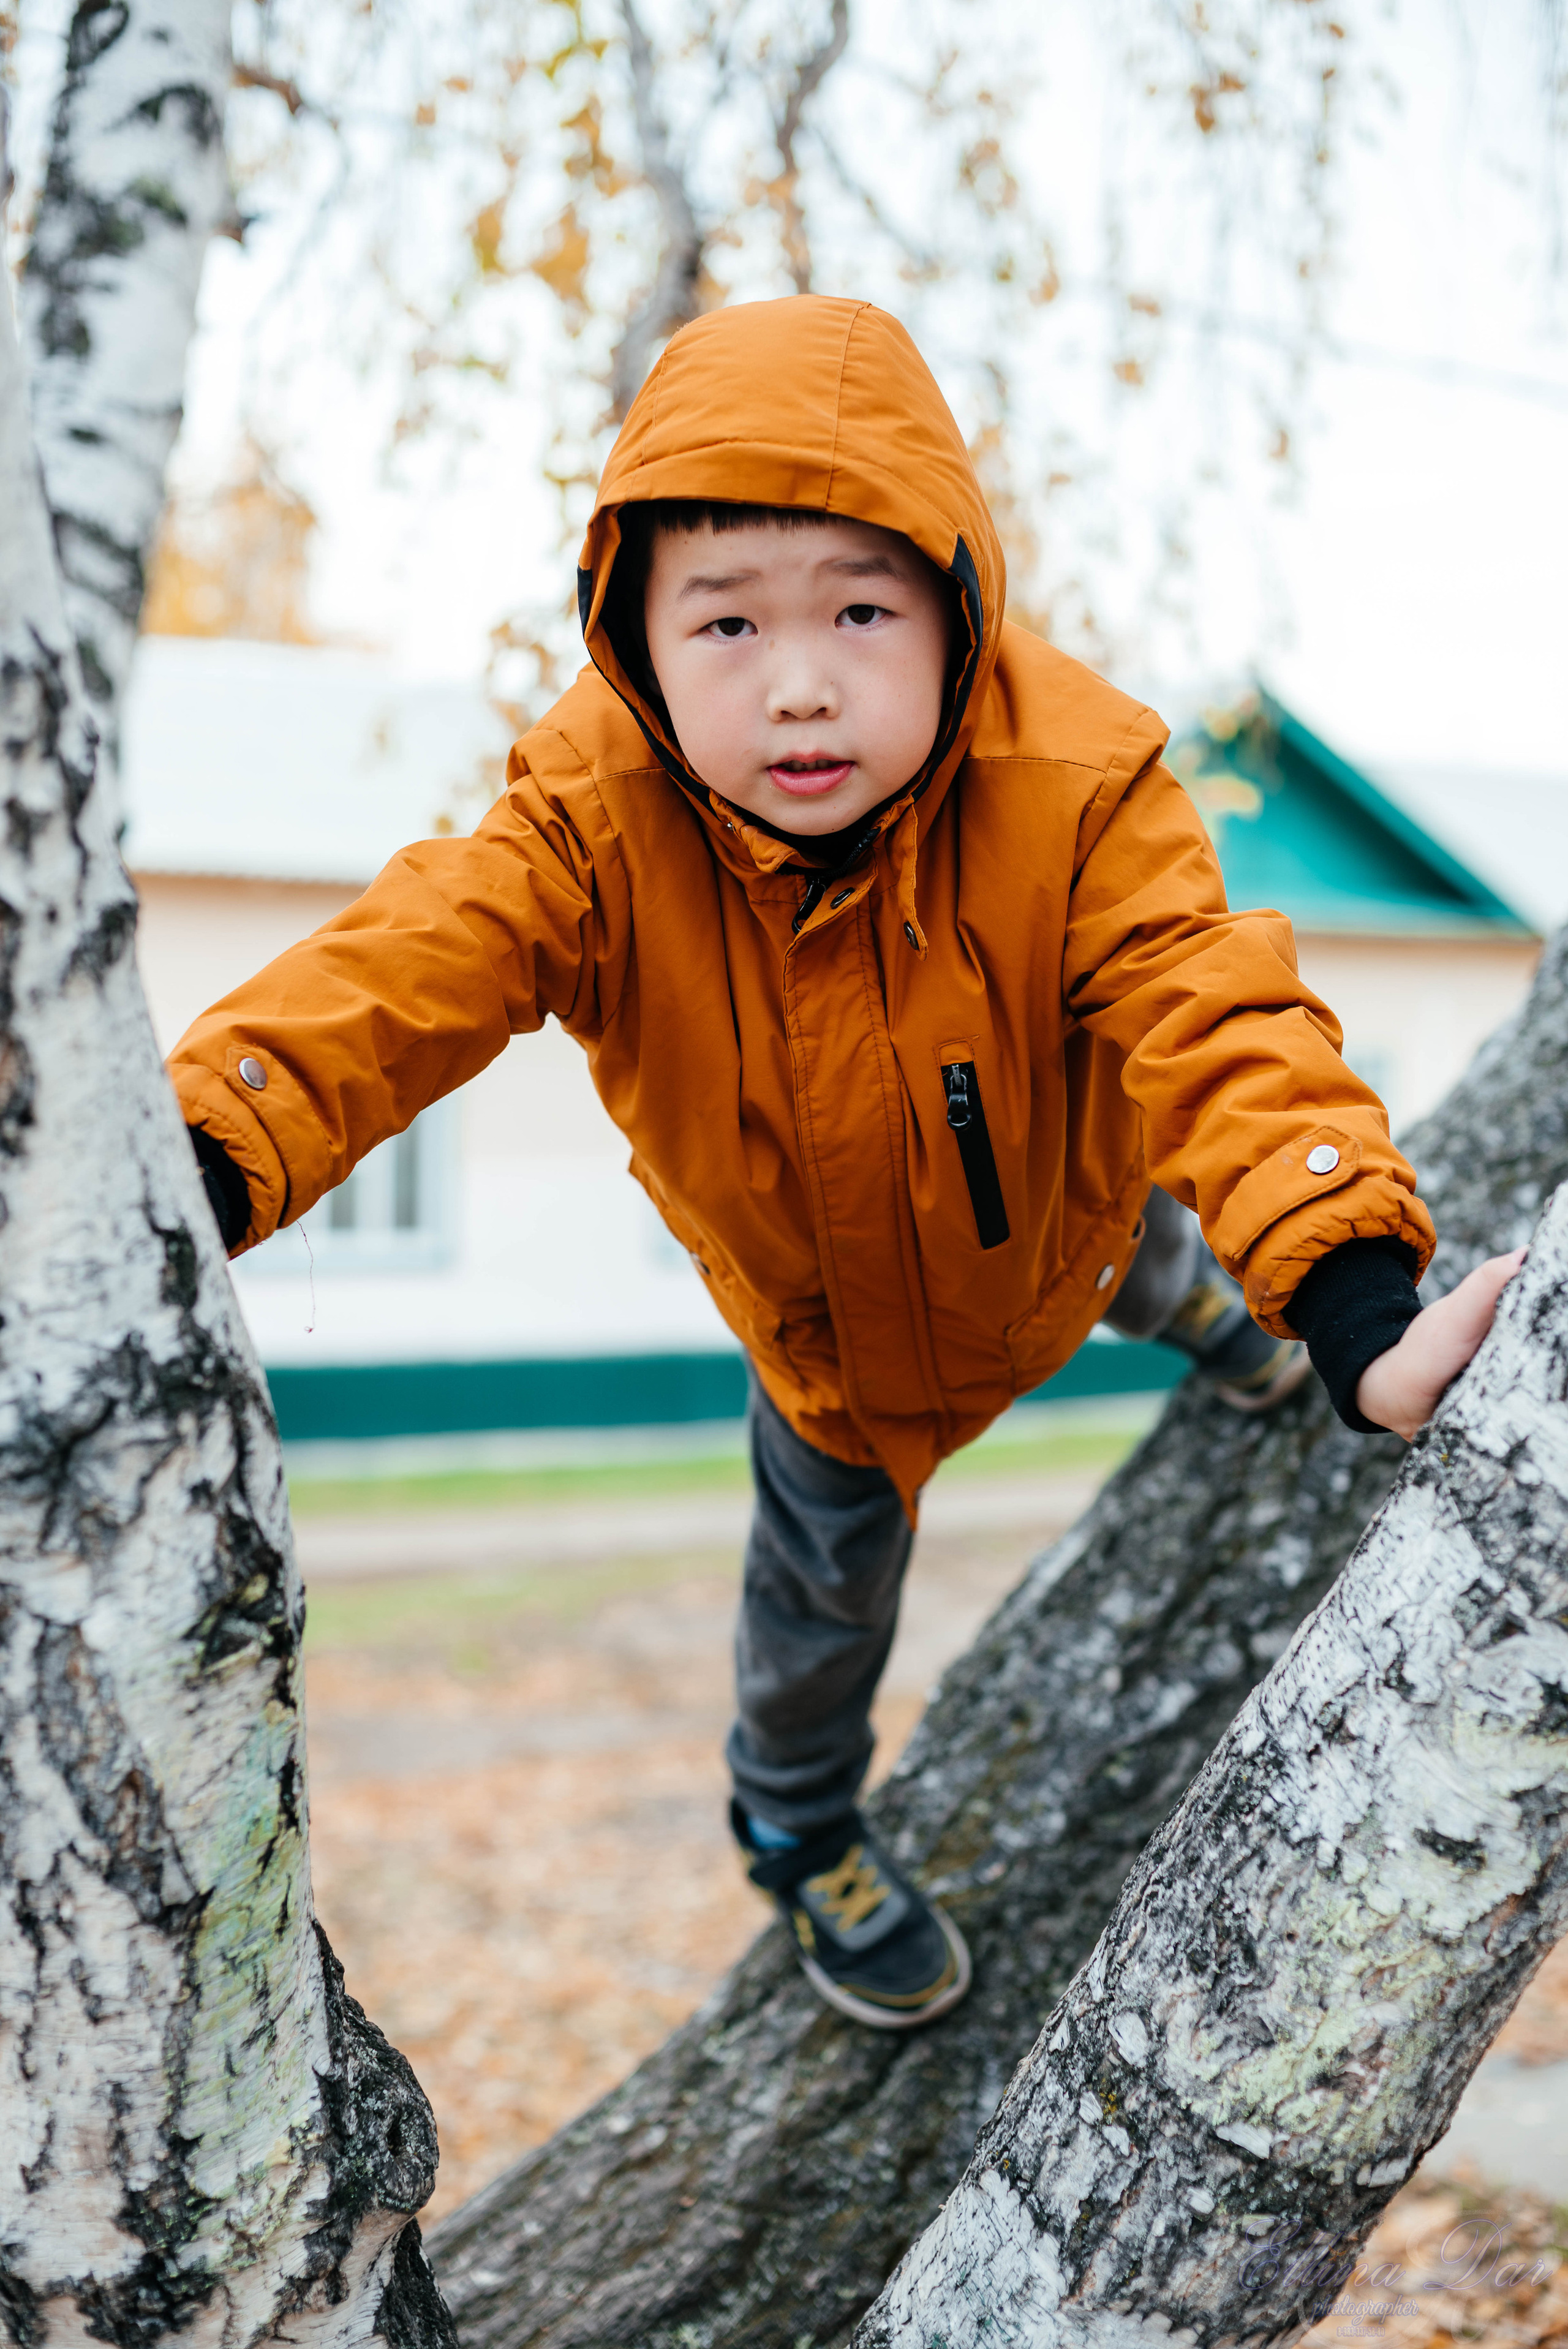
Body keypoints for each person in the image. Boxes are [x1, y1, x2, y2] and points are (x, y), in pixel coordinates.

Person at [170, 296, 1523, 2033]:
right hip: (838, 1357)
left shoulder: (1077, 785)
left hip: (1063, 1212)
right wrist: (194, 1168)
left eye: (862, 611)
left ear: (958, 607)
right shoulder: (588, 826)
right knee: (816, 1623)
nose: (799, 680)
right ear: (633, 636)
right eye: (726, 620)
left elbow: (1218, 1015)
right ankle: (798, 1827)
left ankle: (1244, 1318)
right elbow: (390, 980)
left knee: (1142, 1254)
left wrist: (1351, 1295)